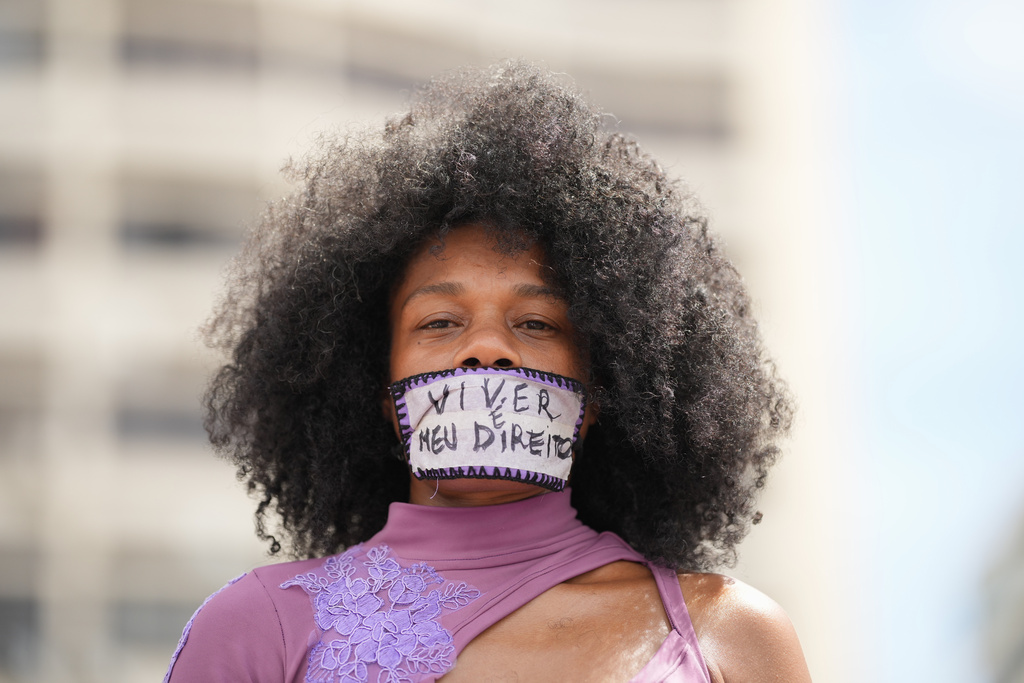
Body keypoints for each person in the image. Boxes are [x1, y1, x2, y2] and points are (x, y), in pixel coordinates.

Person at [164, 61, 811, 682]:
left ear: (600, 394)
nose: (486, 348)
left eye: (536, 322)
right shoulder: (257, 625)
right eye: (439, 321)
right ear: (383, 391)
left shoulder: (729, 630)